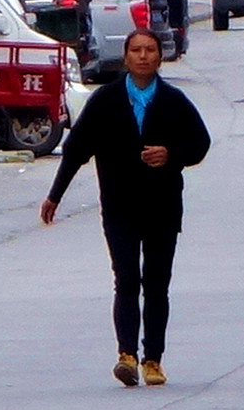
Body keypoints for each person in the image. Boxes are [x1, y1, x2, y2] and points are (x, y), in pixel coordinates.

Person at [41, 28, 211, 388]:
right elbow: (76, 149)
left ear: (159, 56)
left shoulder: (172, 100)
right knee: (127, 280)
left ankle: (153, 359)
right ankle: (127, 355)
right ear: (126, 56)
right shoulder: (106, 100)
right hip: (119, 207)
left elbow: (200, 142)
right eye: (136, 50)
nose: (144, 56)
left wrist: (171, 155)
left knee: (157, 283)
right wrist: (55, 194)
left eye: (150, 50)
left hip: (163, 207)